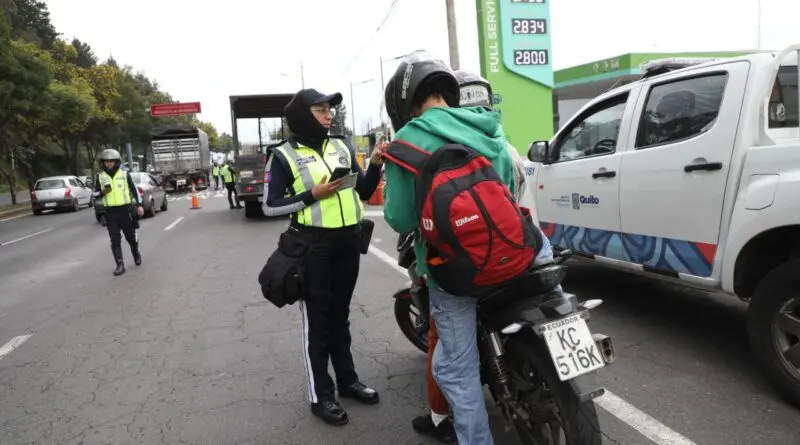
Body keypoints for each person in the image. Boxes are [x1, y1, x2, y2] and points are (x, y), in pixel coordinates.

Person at [382, 53, 557, 445]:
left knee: (456, 370)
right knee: (556, 300)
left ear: (404, 103)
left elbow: (400, 219)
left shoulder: (406, 141)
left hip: (457, 272)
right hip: (519, 250)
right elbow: (509, 188)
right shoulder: (487, 124)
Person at [262, 88, 384, 426]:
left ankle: (347, 381)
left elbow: (362, 189)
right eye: (320, 109)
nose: (329, 114)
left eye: (330, 109)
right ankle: (321, 396)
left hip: (348, 242)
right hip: (313, 248)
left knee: (340, 318)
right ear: (303, 114)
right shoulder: (284, 155)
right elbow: (269, 205)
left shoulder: (342, 145)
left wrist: (374, 165)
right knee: (317, 324)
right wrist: (311, 194)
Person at [94, 149, 143, 276]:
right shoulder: (100, 177)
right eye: (106, 161)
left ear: (116, 162)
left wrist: (139, 205)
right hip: (111, 212)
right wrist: (101, 193)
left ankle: (135, 252)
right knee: (115, 240)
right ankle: (120, 264)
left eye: (111, 161)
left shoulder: (124, 174)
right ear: (103, 163)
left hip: (125, 210)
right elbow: (95, 194)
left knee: (131, 238)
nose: (109, 163)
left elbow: (134, 190)